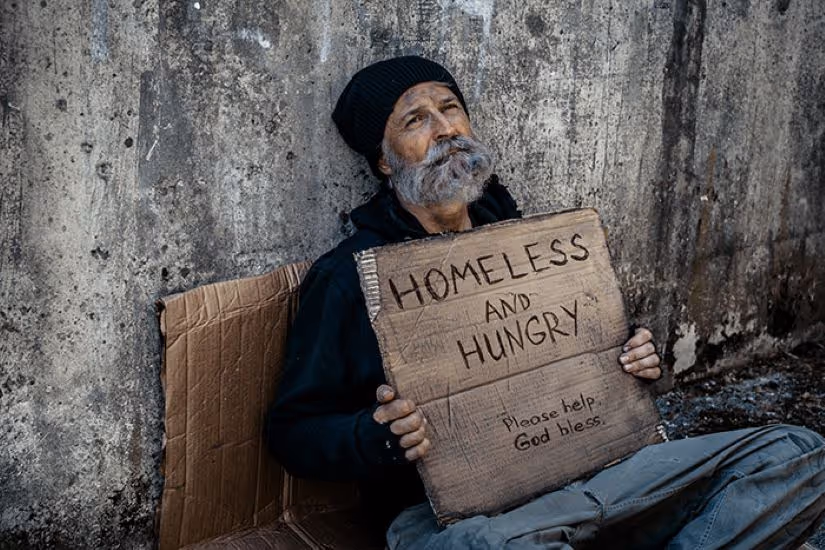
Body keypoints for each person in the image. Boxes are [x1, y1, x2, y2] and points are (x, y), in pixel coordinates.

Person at [266, 56, 825, 549]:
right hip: (464, 514)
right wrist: (375, 434)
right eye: (415, 120)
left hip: (600, 475)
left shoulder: (527, 240)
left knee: (797, 453)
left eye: (450, 108)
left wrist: (631, 357)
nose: (445, 130)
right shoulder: (348, 277)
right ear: (385, 162)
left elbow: (586, 348)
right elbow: (292, 431)